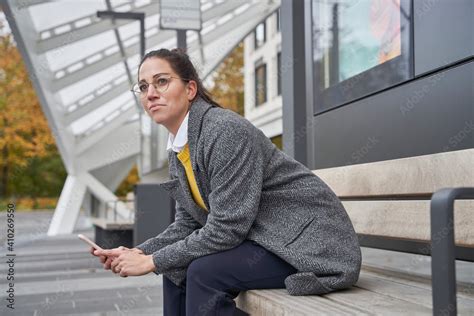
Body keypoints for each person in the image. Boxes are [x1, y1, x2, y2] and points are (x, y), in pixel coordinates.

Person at [92, 48, 361, 315]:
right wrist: (137, 252)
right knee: (177, 268)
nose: (150, 93)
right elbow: (187, 224)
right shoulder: (179, 148)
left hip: (310, 245)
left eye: (162, 81)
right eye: (142, 86)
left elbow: (227, 228)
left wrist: (152, 261)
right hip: (264, 240)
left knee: (203, 272)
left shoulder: (223, 131)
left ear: (190, 89)